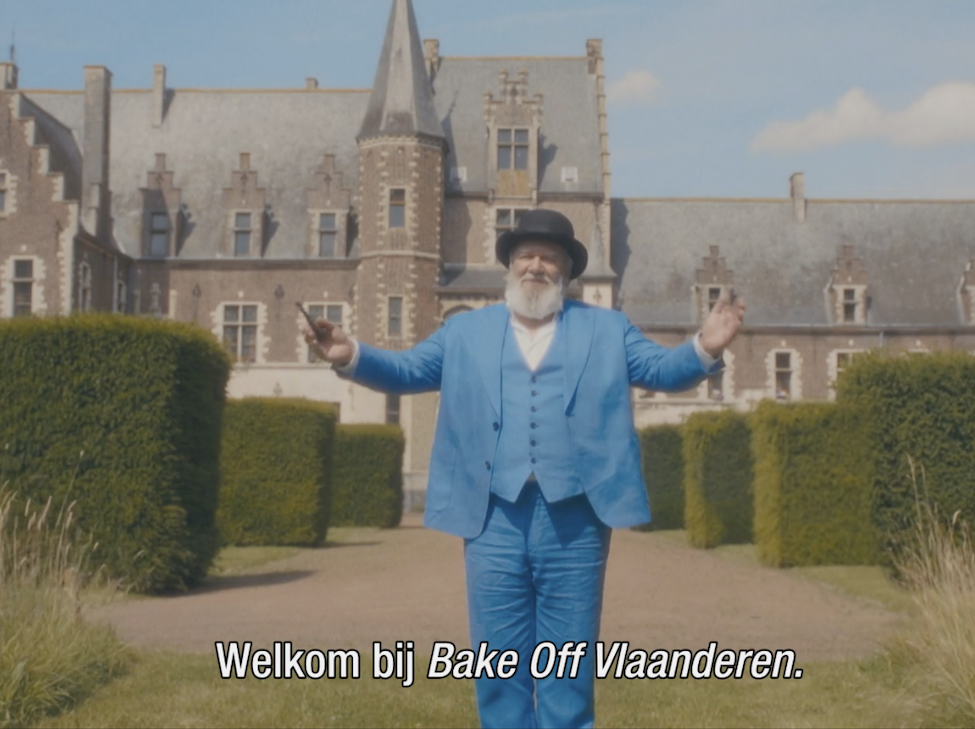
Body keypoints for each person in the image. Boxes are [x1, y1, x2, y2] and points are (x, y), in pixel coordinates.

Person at [301, 209, 744, 729]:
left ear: (565, 271)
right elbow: (406, 369)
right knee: (498, 666)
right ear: (510, 266)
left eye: (549, 257)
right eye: (526, 256)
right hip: (492, 518)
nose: (536, 265)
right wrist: (346, 352)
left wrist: (704, 348)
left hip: (576, 520)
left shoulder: (607, 328)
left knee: (568, 668)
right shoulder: (463, 331)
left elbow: (660, 370)